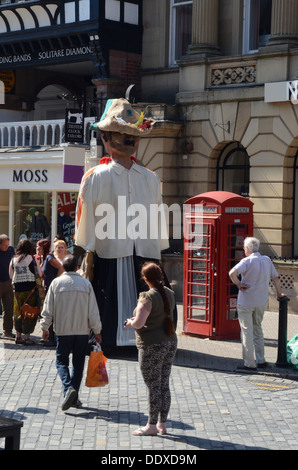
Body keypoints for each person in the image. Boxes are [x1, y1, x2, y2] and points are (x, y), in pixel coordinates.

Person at [75, 98, 175, 349]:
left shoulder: (95, 177)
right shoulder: (151, 178)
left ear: (107, 139)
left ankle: (108, 340)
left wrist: (87, 247)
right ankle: (143, 340)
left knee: (109, 297)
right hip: (143, 251)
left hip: (109, 249)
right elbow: (158, 217)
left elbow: (85, 216)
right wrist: (157, 247)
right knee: (146, 298)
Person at [40, 254, 102, 411]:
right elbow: (93, 311)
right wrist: (97, 330)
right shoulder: (86, 284)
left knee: (61, 362)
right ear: (76, 267)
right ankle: (73, 395)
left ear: (63, 267)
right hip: (82, 330)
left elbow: (48, 309)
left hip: (63, 330)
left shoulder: (56, 283)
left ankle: (68, 389)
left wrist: (44, 327)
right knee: (78, 363)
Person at [124, 262, 177, 436]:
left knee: (153, 386)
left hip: (151, 344)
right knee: (163, 384)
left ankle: (151, 426)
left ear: (145, 279)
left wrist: (130, 322)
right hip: (170, 342)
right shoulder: (169, 293)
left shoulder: (146, 296)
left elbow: (139, 323)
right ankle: (162, 424)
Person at [229, 237, 283, 372]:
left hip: (246, 301)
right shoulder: (266, 260)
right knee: (258, 329)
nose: (243, 250)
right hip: (261, 301)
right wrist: (279, 294)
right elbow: (275, 278)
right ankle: (261, 360)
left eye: (244, 248)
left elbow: (232, 273)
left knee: (247, 331)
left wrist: (239, 284)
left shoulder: (246, 261)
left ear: (247, 249)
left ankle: (249, 363)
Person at [9, 238, 43, 345]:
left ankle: (18, 336)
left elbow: (10, 275)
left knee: (18, 312)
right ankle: (27, 338)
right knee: (29, 312)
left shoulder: (13, 259)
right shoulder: (32, 259)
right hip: (30, 290)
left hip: (17, 290)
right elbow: (40, 274)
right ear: (30, 247)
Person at [41, 239, 66, 346]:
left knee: (59, 314)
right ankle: (50, 337)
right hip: (49, 289)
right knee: (50, 313)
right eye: (57, 247)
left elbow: (73, 270)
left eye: (61, 247)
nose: (59, 249)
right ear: (54, 249)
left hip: (62, 290)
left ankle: (56, 338)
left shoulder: (68, 259)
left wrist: (56, 280)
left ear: (65, 249)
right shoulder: (50, 257)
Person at [0, 234, 15, 339]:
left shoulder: (10, 250)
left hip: (8, 282)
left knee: (9, 307)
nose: (6, 247)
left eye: (7, 245)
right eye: (4, 245)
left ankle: (8, 331)